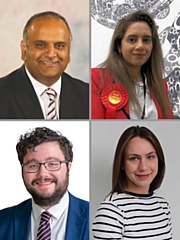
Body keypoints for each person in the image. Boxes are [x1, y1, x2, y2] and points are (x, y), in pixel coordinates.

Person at [0, 127, 89, 240]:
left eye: (52, 164)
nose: (42, 174)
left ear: (68, 167)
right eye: (33, 165)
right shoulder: (2, 221)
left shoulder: (94, 217)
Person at [0, 11, 89, 119]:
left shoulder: (87, 95)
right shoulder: (3, 92)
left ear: (68, 52)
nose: (51, 54)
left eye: (59, 45)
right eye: (41, 45)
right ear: (24, 50)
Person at [92, 126, 172, 239]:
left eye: (150, 157)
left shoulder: (163, 206)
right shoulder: (111, 210)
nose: (143, 167)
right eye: (134, 158)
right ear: (122, 164)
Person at [91, 10, 174, 119]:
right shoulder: (96, 78)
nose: (140, 46)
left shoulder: (161, 85)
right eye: (132, 40)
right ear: (119, 46)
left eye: (146, 40)